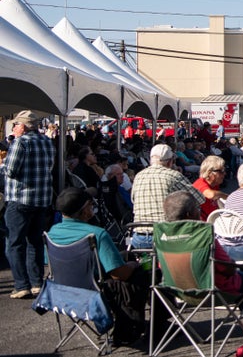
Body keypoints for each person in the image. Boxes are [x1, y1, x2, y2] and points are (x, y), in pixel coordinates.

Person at [162, 191, 243, 339]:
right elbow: (227, 269)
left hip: (178, 289)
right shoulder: (202, 235)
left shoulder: (163, 237)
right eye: (198, 208)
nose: (200, 211)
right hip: (213, 289)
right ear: (190, 214)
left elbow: (161, 266)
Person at [47, 187, 151, 344]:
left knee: (127, 255)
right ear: (83, 210)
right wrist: (134, 265)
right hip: (95, 291)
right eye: (90, 205)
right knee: (145, 271)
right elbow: (120, 274)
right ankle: (139, 327)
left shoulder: (52, 233)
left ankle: (132, 323)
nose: (93, 208)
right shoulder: (96, 234)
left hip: (64, 289)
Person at [4, 110, 56, 299]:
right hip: (41, 199)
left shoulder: (20, 142)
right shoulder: (47, 142)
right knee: (34, 241)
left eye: (16, 125)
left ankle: (21, 285)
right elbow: (49, 167)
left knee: (14, 243)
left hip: (19, 198)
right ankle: (36, 283)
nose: (14, 128)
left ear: (23, 127)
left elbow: (10, 170)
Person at [130, 144, 206, 250]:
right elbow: (199, 199)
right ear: (170, 161)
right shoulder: (172, 175)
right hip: (165, 235)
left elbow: (133, 200)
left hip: (138, 235)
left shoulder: (139, 176)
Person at [193, 154, 230, 220]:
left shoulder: (214, 184)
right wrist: (226, 196)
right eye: (221, 171)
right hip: (203, 224)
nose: (224, 173)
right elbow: (211, 195)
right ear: (210, 172)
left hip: (214, 219)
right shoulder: (200, 183)